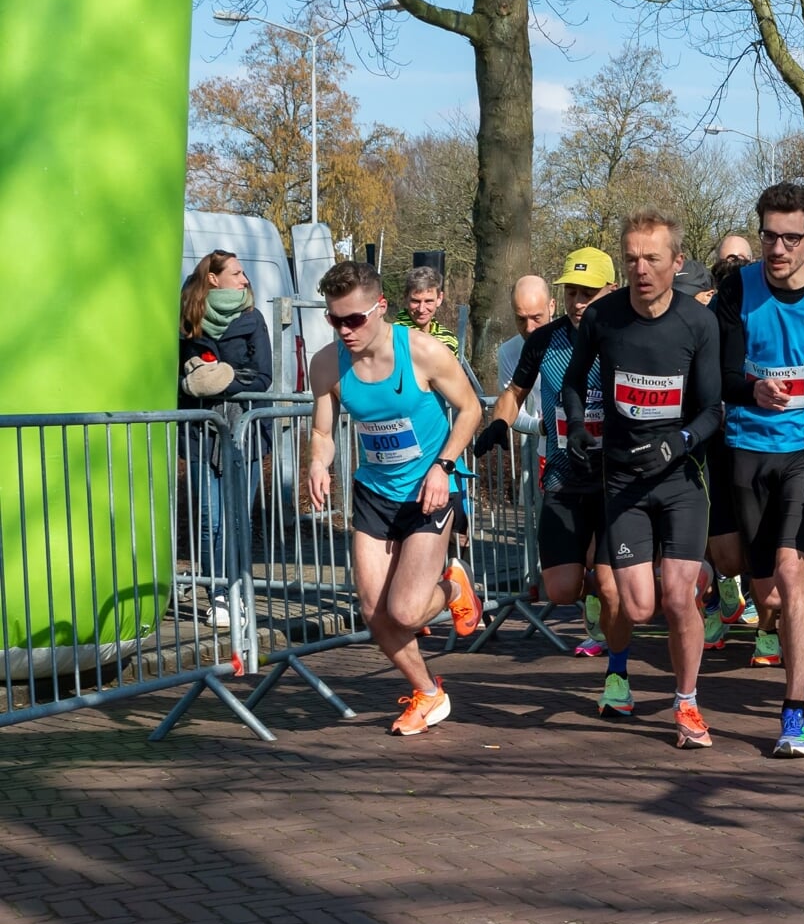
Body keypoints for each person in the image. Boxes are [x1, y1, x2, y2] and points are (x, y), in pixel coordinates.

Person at [561, 210, 725, 750]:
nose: (641, 268)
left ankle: (687, 704)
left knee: (678, 600)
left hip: (680, 479)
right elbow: (571, 382)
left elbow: (712, 410)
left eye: (652, 258)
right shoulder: (603, 317)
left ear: (676, 263)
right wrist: (581, 429)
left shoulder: (697, 324)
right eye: (631, 257)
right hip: (622, 483)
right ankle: (624, 664)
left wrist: (679, 442)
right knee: (636, 607)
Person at [712, 183, 804, 756]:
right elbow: (721, 377)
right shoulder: (737, 289)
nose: (777, 249)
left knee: (790, 573)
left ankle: (794, 713)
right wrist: (753, 387)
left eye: (791, 238)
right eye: (769, 236)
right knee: (765, 592)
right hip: (745, 450)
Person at [305, 261, 483, 735]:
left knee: (404, 610)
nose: (344, 330)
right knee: (373, 614)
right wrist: (318, 463)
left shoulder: (422, 351)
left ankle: (452, 588)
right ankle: (428, 693)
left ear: (380, 308)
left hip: (430, 488)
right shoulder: (326, 364)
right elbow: (323, 431)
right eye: (334, 319)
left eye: (354, 319)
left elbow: (471, 409)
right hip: (375, 493)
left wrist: (444, 467)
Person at [474, 251, 623, 661]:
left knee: (610, 580)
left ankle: (618, 670)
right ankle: (595, 596)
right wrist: (500, 423)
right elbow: (513, 393)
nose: (578, 302)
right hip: (563, 474)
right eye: (572, 292)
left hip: (616, 477)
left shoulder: (627, 335)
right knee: (560, 589)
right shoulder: (545, 340)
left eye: (588, 293)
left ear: (612, 289)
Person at [178, 250, 274, 628]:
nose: (245, 279)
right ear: (213, 279)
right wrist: (194, 382)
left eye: (244, 272)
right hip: (202, 433)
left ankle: (238, 591)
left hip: (244, 433)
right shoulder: (188, 322)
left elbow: (263, 378)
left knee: (236, 519)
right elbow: (182, 382)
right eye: (236, 272)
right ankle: (217, 592)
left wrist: (220, 380)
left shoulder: (252, 318)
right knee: (209, 518)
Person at [495, 275, 553, 439]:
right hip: (547, 449)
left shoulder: (574, 339)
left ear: (552, 306)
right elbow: (513, 406)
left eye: (536, 318)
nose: (529, 328)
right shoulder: (508, 351)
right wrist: (540, 426)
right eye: (521, 319)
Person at [395, 265, 461, 353]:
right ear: (406, 297)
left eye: (428, 301)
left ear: (439, 299)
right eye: (416, 301)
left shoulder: (450, 339)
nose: (421, 309)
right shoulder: (392, 336)